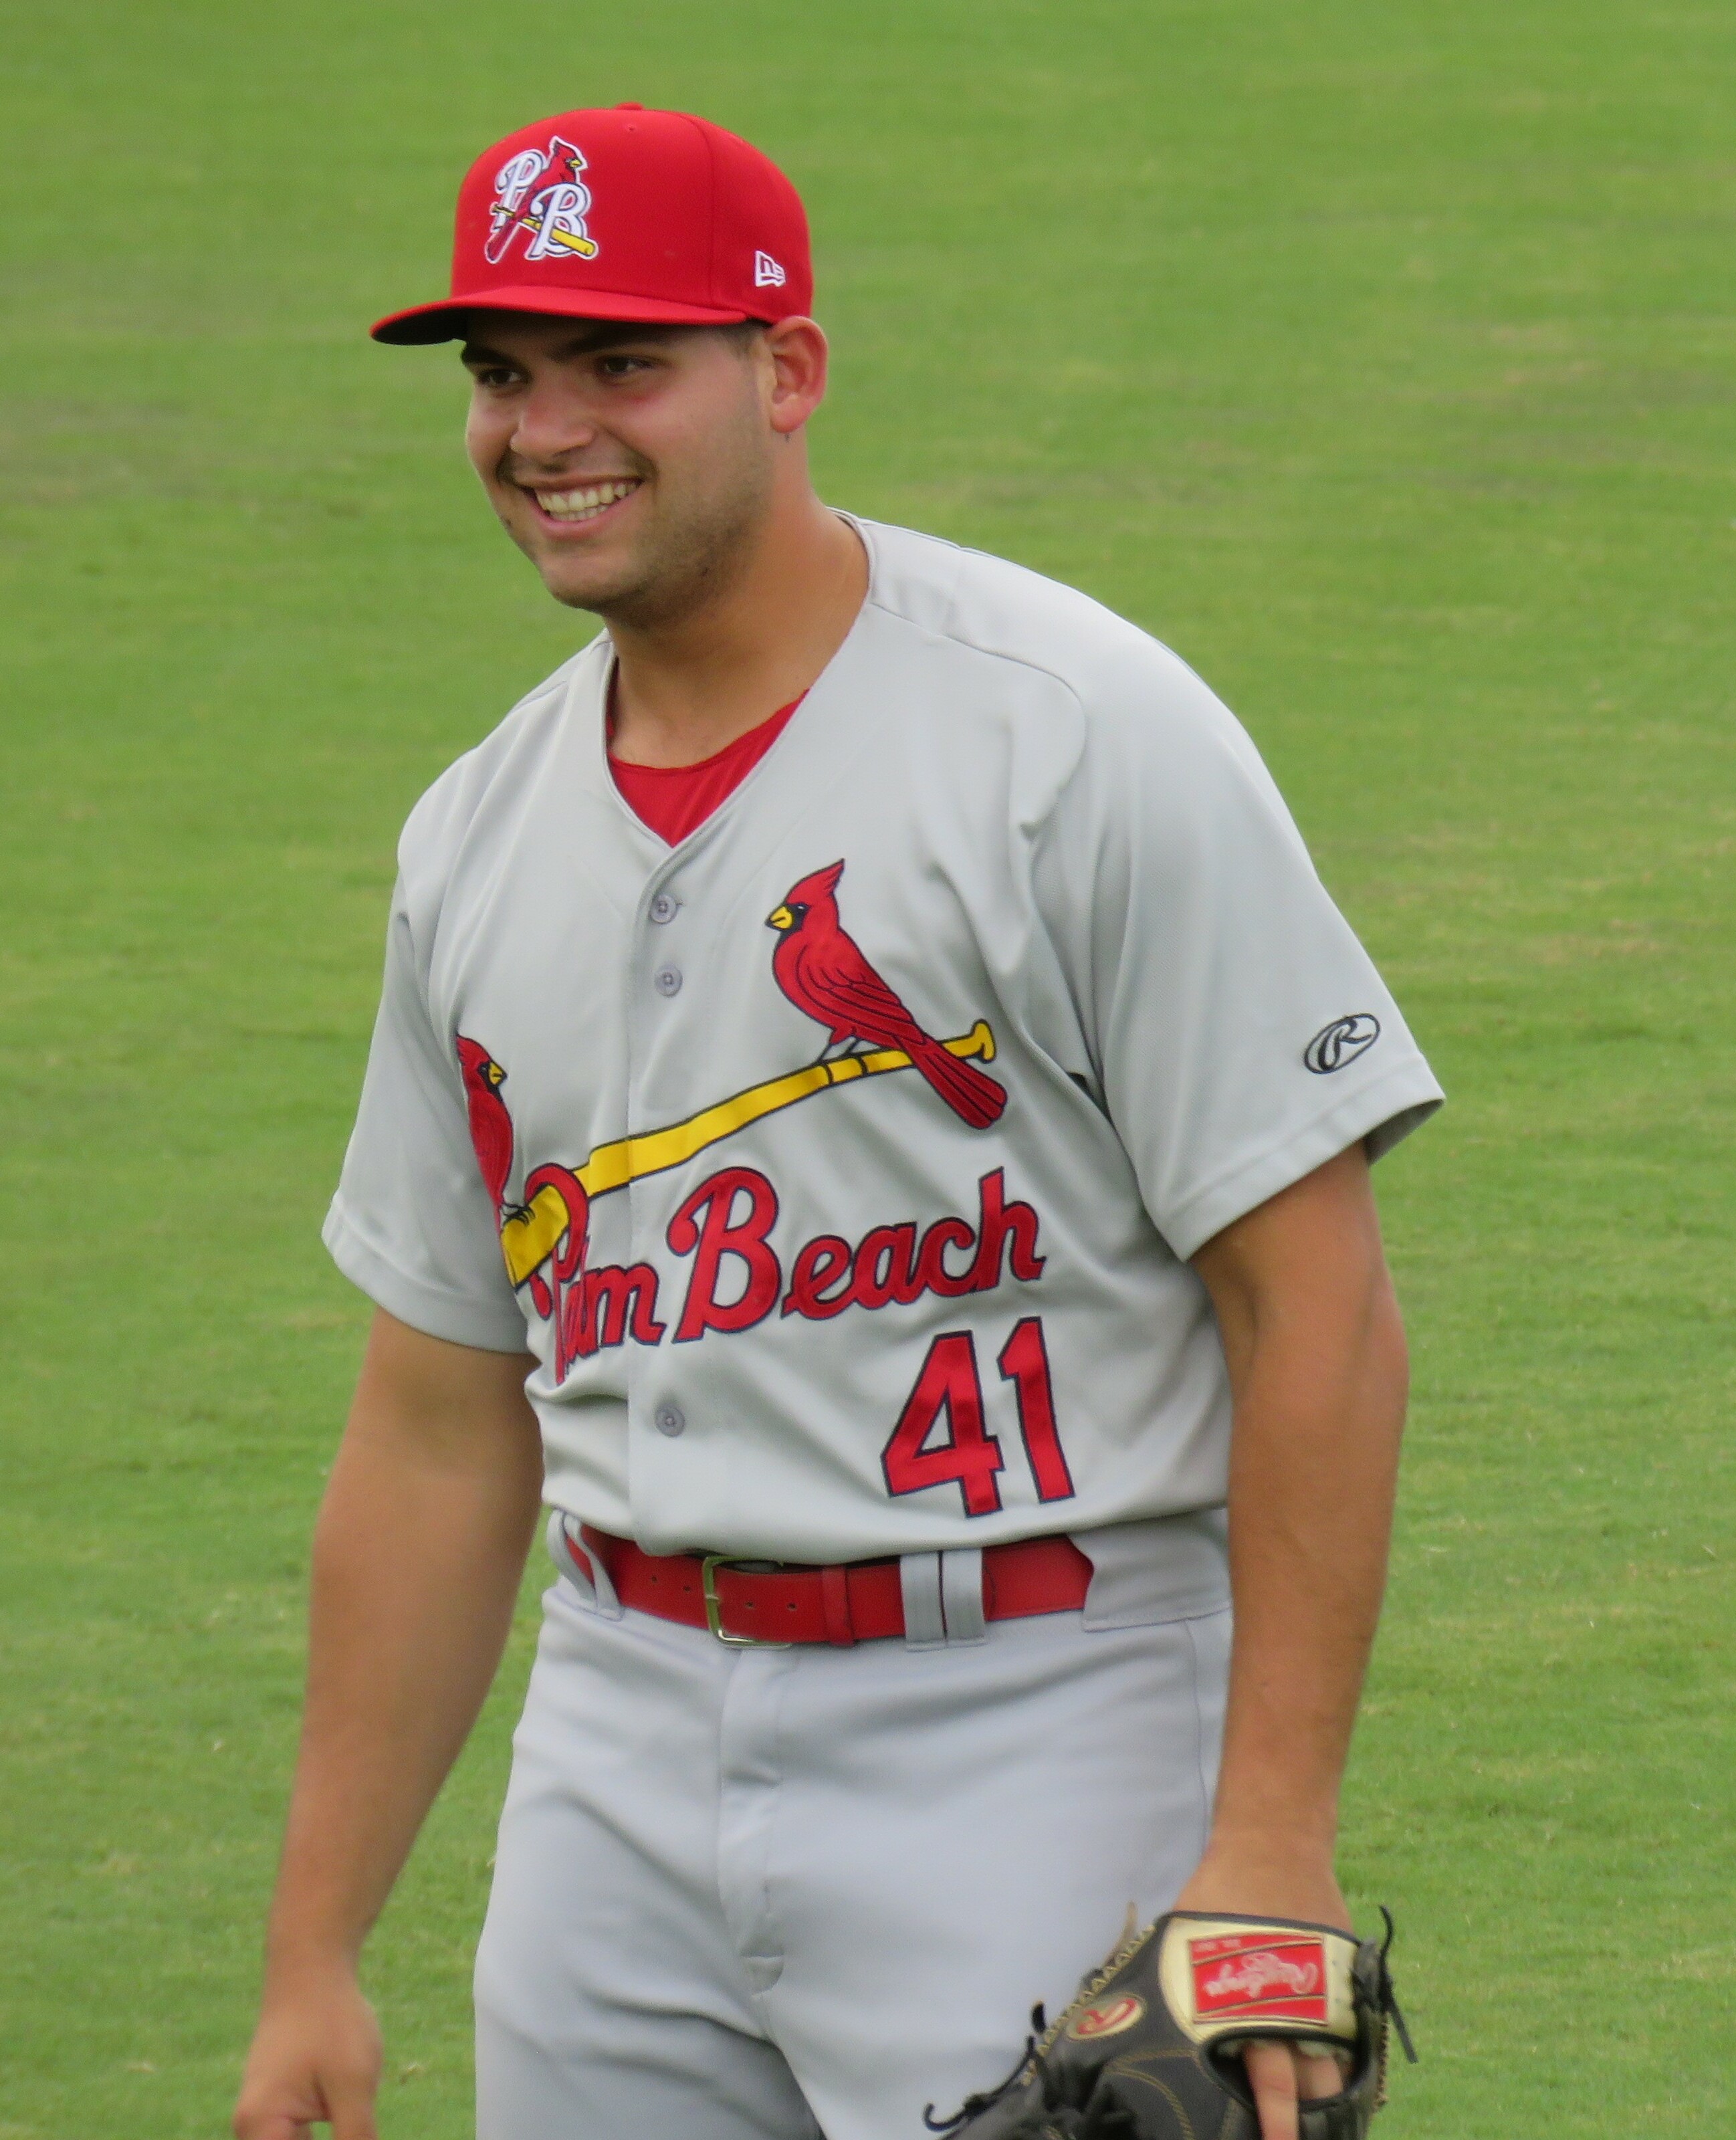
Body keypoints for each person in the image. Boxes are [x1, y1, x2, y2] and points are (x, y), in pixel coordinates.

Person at [233, 104, 1442, 2140]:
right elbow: (443, 1410)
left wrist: (1267, 1845)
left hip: (1035, 1721)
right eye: (502, 375)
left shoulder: (1072, 737)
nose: (546, 431)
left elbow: (1310, 1304)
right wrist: (312, 1954)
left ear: (785, 374)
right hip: (612, 1737)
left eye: (622, 363)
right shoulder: (474, 836)